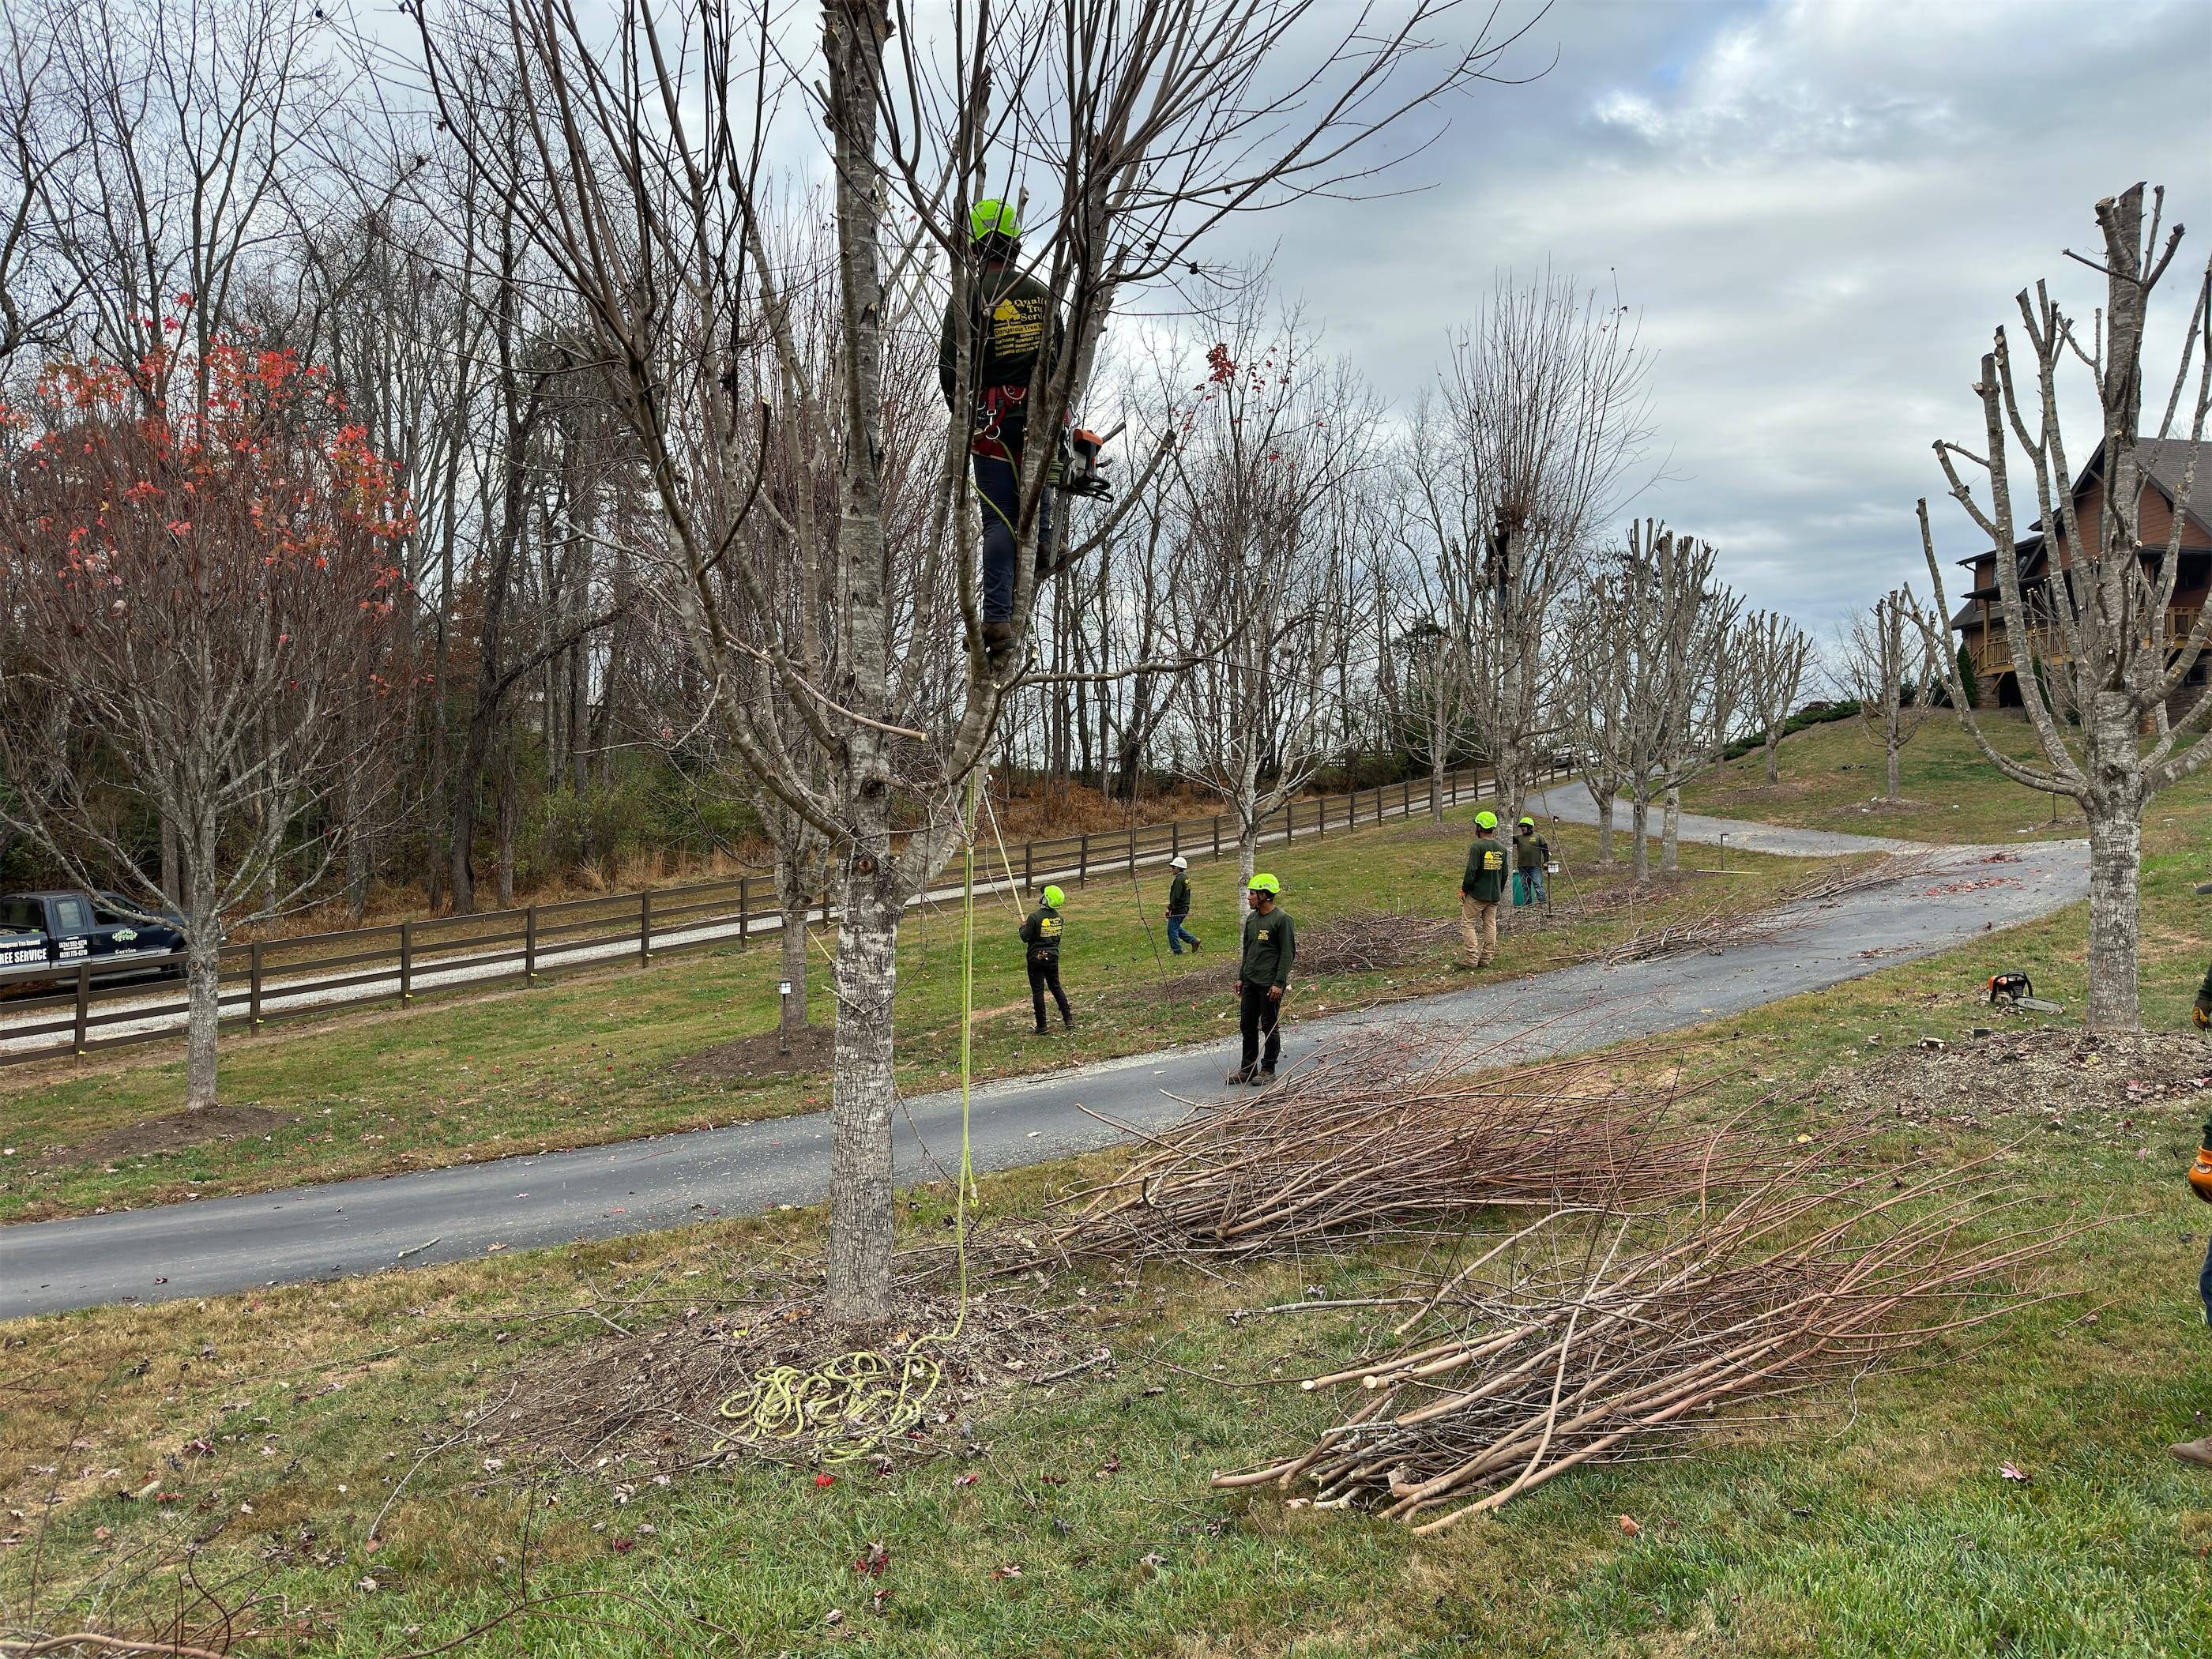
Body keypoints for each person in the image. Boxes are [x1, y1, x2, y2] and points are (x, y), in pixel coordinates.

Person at [938, 199, 1066, 668]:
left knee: (999, 520)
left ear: (975, 243)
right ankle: (1046, 540)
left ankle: (997, 620)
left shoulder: (969, 295)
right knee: (1035, 503)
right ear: (1014, 242)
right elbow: (1060, 364)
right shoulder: (1040, 294)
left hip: (991, 419)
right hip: (1040, 421)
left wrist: (966, 418)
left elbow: (952, 368)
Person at [1229, 872, 1295, 1085]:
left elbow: (1287, 953)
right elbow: (1248, 951)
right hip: (1250, 981)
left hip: (1270, 984)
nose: (1249, 898)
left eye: (1252, 894)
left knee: (1268, 1024)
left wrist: (1279, 983)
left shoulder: (1282, 920)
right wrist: (1241, 977)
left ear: (1264, 895)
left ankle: (1268, 1068)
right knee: (1247, 1024)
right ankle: (1248, 1068)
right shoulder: (1252, 919)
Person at [1019, 883, 1073, 1035]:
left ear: (1045, 899)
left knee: (1038, 991)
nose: (1040, 896)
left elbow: (1025, 937)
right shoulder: (1059, 918)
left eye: (1043, 894)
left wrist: (1023, 927)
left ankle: (1042, 1026)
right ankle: (1068, 1019)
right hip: (1053, 957)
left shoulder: (1034, 917)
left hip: (1036, 959)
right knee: (1056, 987)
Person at [1459, 809, 1508, 968]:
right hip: (1494, 895)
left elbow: (1471, 871)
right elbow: (1505, 874)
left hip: (1477, 895)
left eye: (1477, 825)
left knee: (1467, 924)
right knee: (1490, 925)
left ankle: (1471, 959)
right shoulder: (1502, 849)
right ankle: (1486, 959)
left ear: (1480, 827)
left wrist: (1465, 889)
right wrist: (1498, 890)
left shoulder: (1477, 847)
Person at [1511, 815, 1550, 908]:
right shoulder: (1519, 838)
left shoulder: (1539, 837)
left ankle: (1542, 902)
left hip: (1535, 866)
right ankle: (1528, 905)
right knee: (1525, 886)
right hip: (1522, 867)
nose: (1522, 829)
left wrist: (1546, 862)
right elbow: (1508, 839)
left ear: (1530, 827)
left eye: (1524, 827)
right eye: (1521, 827)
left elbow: (1545, 850)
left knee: (1538, 884)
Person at [1165, 855, 1200, 955]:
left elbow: (1176, 896)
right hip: (1184, 907)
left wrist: (1170, 908)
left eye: (1173, 867)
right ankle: (1193, 940)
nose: (1172, 869)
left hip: (1178, 908)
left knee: (1171, 930)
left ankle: (1177, 951)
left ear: (1179, 868)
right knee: (1176, 927)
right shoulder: (1186, 878)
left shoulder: (1179, 880)